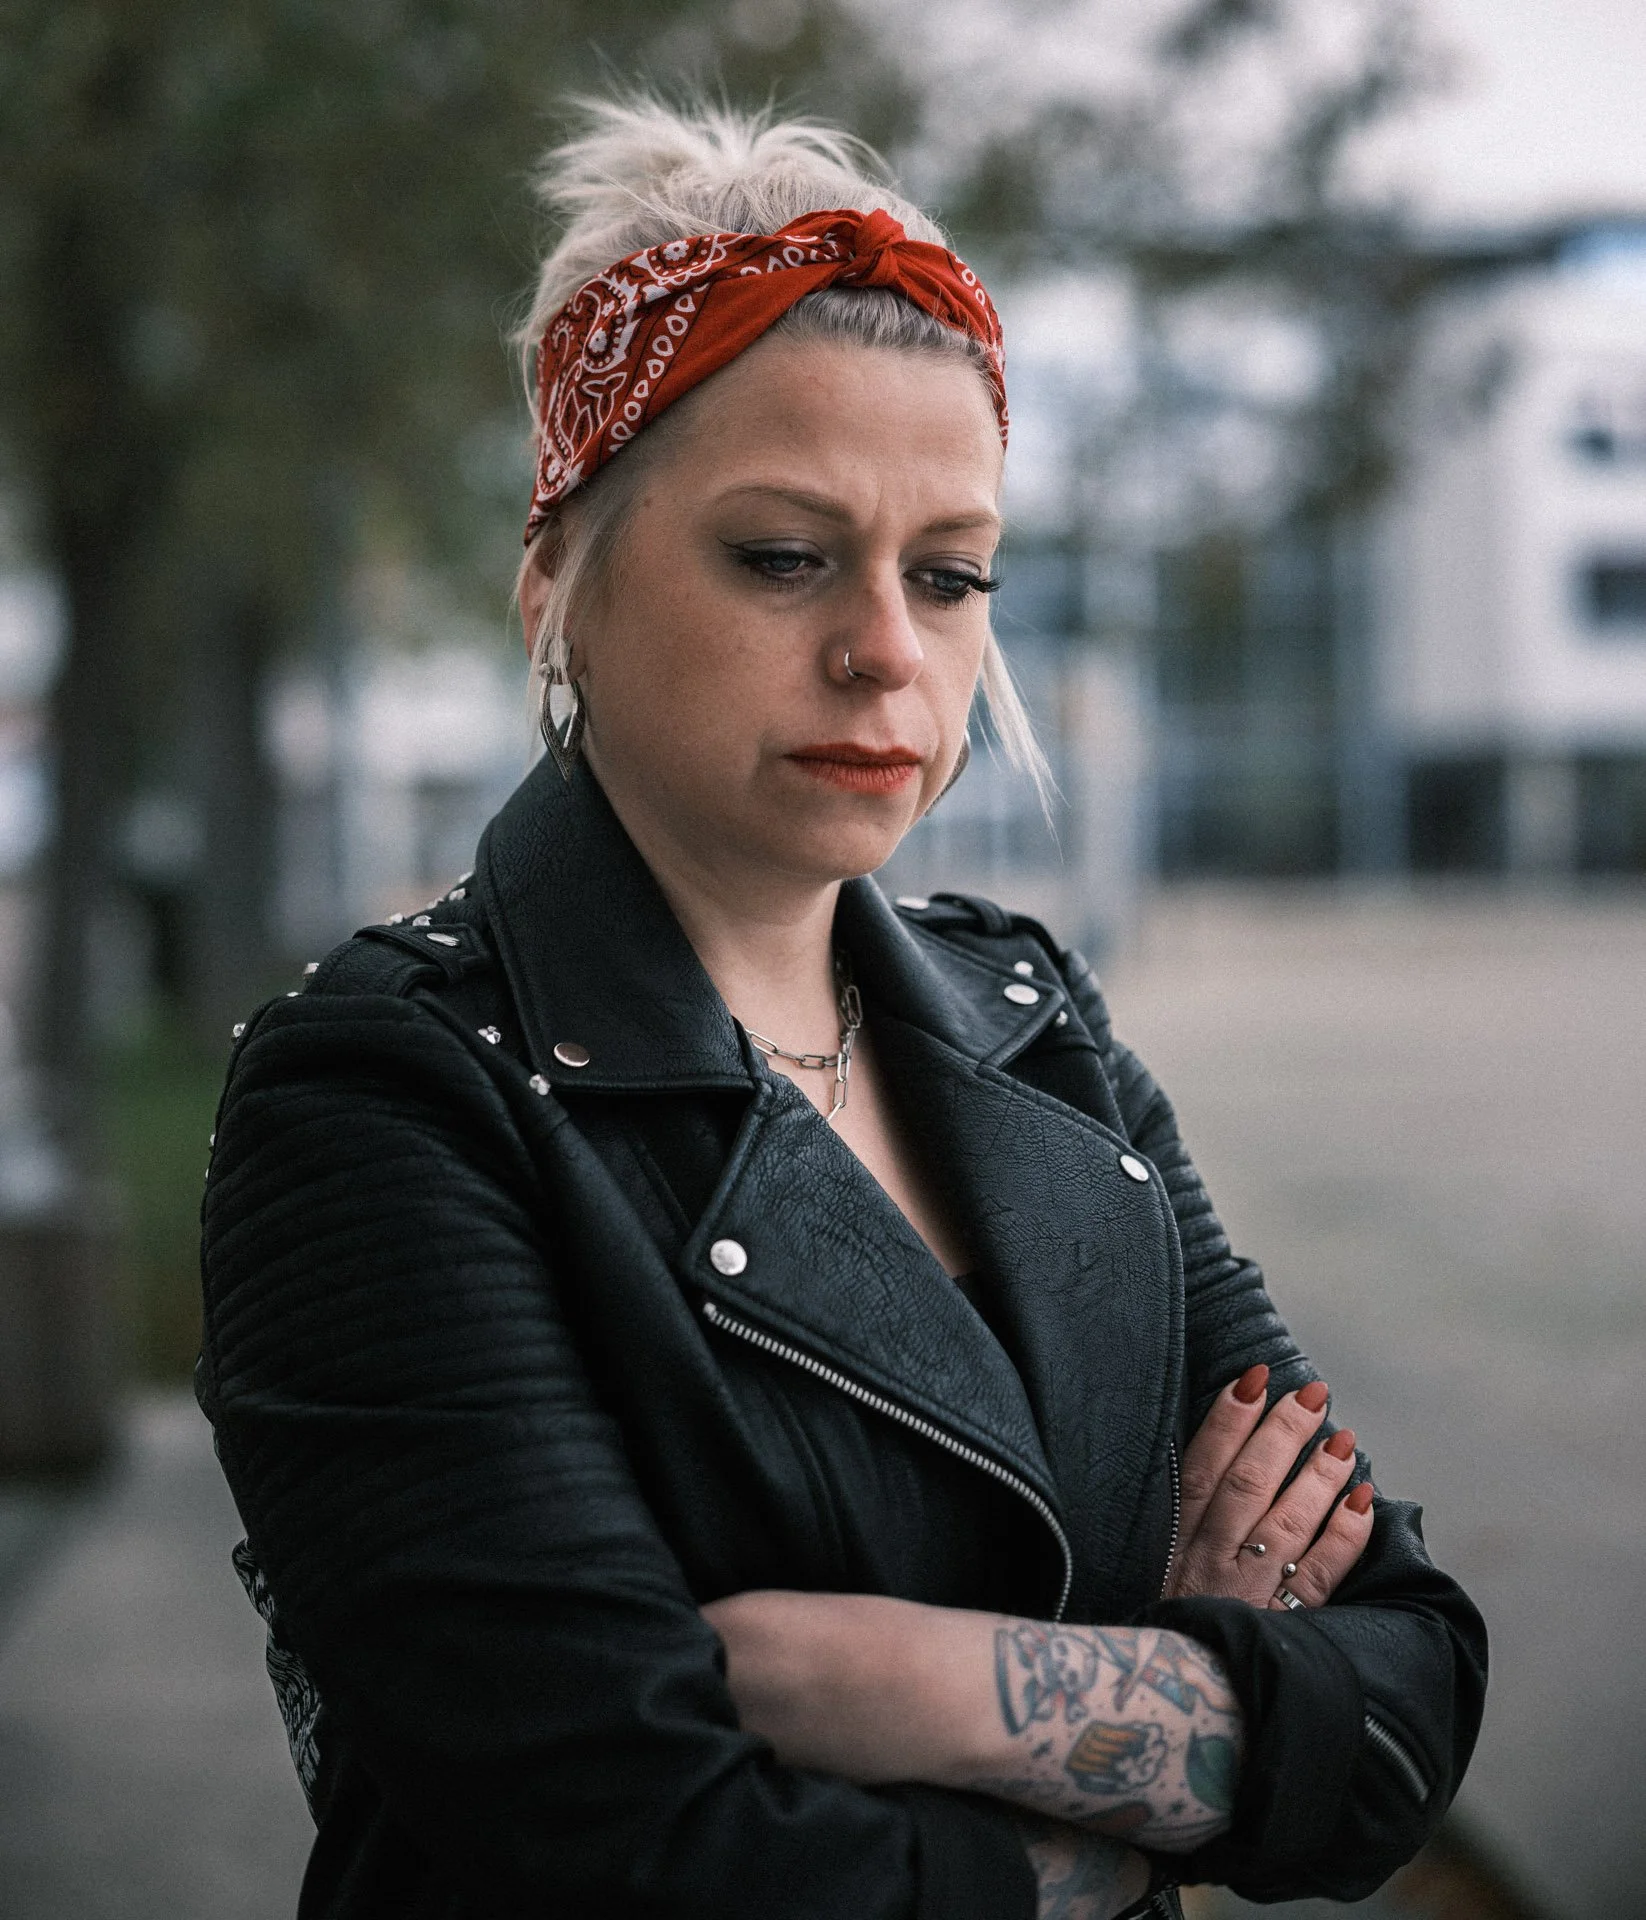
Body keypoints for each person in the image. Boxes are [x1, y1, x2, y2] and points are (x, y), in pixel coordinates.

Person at [198, 98, 1485, 1920]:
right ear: (560, 572)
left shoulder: (1032, 1019)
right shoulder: (385, 1097)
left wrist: (917, 1689)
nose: (890, 645)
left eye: (949, 574)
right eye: (784, 555)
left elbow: (1408, 1691)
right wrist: (1171, 1741)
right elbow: (645, 1849)